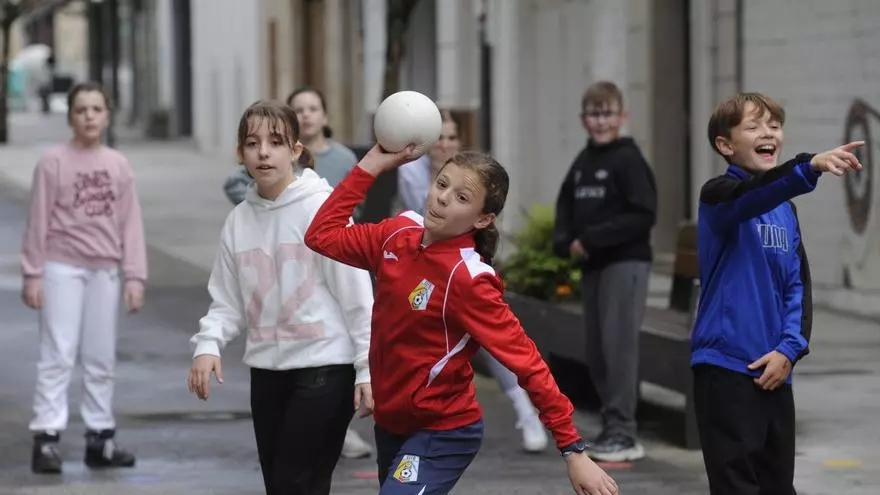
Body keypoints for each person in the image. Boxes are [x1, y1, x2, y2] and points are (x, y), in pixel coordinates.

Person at [305, 145, 618, 494]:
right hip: (391, 423)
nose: (442, 198)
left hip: (443, 430)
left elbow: (527, 362)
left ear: (482, 219)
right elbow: (320, 235)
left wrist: (572, 448)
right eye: (441, 185)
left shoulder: (470, 280)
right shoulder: (397, 233)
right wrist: (372, 164)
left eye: (461, 197)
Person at [187, 100, 375, 494]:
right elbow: (228, 300)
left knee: (293, 483)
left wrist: (366, 368)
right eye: (252, 143)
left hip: (325, 368)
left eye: (275, 142)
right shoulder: (238, 221)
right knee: (286, 485)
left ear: (295, 150)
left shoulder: (323, 210)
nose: (263, 152)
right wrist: (208, 344)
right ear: (240, 154)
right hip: (267, 372)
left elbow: (357, 297)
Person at [692, 92, 863, 494]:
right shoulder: (719, 195)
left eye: (774, 125)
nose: (768, 133)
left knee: (778, 486)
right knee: (737, 486)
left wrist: (788, 349)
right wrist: (808, 166)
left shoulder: (786, 209)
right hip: (725, 369)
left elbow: (797, 287)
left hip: (774, 372)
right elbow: (755, 194)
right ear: (725, 145)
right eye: (753, 127)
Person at [397, 110, 548, 453]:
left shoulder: (476, 178)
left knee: (490, 338)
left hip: (459, 267)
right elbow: (416, 220)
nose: (445, 144)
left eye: (451, 137)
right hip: (421, 268)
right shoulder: (411, 173)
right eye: (439, 138)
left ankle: (525, 410)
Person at [21, 81, 146, 474]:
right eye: (81, 110)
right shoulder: (53, 162)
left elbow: (130, 223)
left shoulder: (117, 164)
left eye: (96, 109)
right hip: (62, 267)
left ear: (107, 116)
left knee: (100, 356)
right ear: (71, 117)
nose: (89, 116)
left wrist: (134, 276)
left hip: (104, 269)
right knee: (58, 352)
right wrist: (33, 273)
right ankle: (46, 438)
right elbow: (37, 220)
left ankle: (100, 437)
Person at [553, 81, 657, 462]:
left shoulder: (628, 160)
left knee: (618, 348)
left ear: (622, 116)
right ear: (583, 119)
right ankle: (611, 425)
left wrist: (592, 238)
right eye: (594, 114)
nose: (601, 121)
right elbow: (565, 205)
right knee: (597, 352)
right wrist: (565, 241)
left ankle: (624, 432)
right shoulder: (584, 161)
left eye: (607, 113)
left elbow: (644, 214)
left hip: (625, 264)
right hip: (594, 266)